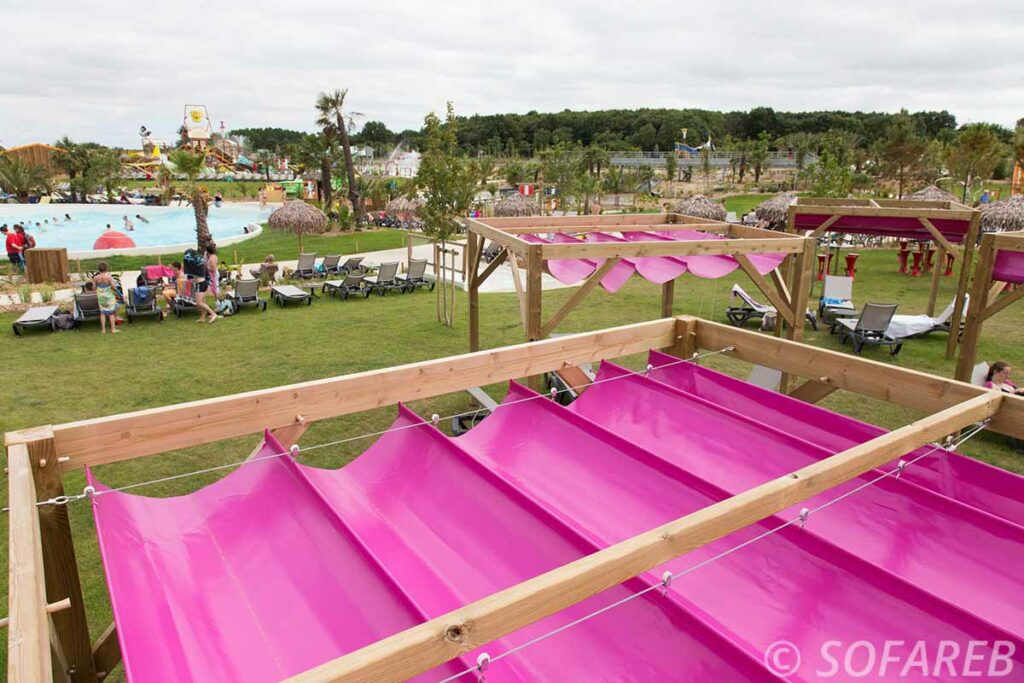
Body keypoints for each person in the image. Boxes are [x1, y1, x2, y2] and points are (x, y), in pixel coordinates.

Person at [92, 262, 119, 334]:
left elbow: (94, 288)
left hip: (101, 296)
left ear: (98, 269)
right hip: (109, 296)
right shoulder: (109, 277)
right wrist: (115, 289)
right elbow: (113, 286)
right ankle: (113, 329)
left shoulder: (95, 278)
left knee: (102, 313)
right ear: (106, 268)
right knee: (111, 313)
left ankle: (103, 330)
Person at [195, 244, 219, 323]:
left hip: (211, 277)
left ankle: (213, 312)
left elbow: (214, 269)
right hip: (211, 276)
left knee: (204, 297)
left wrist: (206, 268)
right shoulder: (214, 256)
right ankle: (203, 317)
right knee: (203, 297)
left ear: (207, 251)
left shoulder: (211, 259)